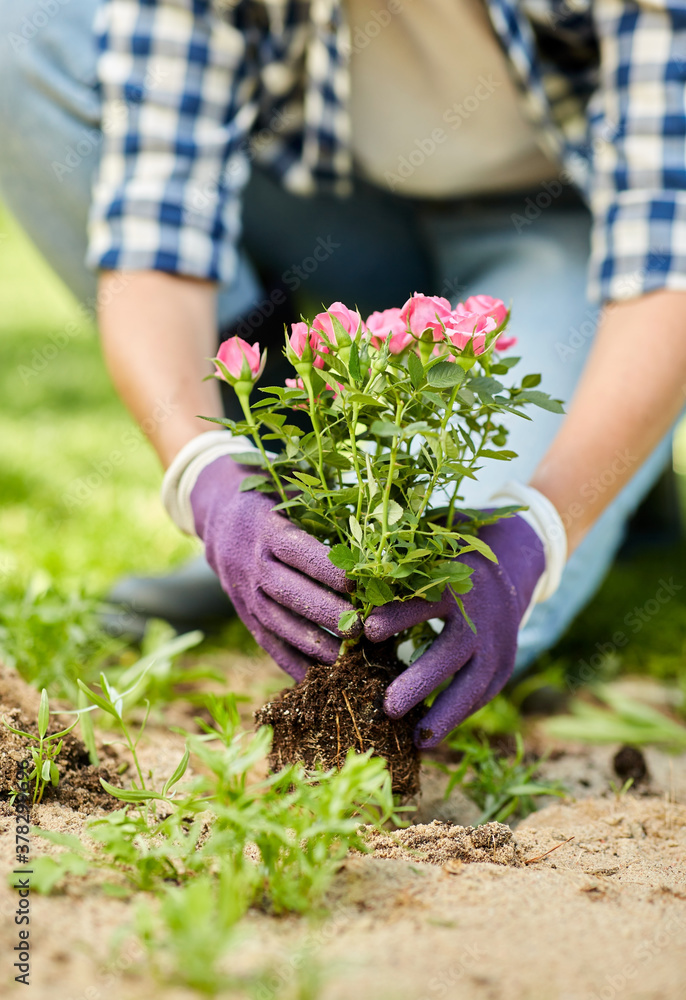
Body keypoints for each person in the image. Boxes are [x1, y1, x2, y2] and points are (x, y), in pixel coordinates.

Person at [1, 0, 684, 745]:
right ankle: (299, 513)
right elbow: (155, 233)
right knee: (20, 36)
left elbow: (668, 262)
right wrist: (208, 480)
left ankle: (613, 478)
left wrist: (545, 527)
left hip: (566, 224)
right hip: (339, 205)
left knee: (437, 596)